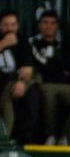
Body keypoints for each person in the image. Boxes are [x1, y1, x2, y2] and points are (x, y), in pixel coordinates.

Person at [30, 10, 70, 145]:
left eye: (52, 23)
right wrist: (57, 67)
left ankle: (65, 135)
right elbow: (41, 68)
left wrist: (53, 66)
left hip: (67, 86)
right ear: (39, 25)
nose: (49, 26)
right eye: (45, 23)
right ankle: (51, 136)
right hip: (46, 84)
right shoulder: (33, 44)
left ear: (57, 26)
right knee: (49, 94)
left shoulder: (66, 45)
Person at [0, 10, 41, 145]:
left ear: (17, 26)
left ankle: (27, 138)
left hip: (15, 80)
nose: (10, 28)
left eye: (13, 25)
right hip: (2, 82)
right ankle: (5, 139)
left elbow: (27, 68)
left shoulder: (22, 41)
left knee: (32, 92)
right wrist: (3, 44)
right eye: (6, 25)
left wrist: (21, 82)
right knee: (8, 91)